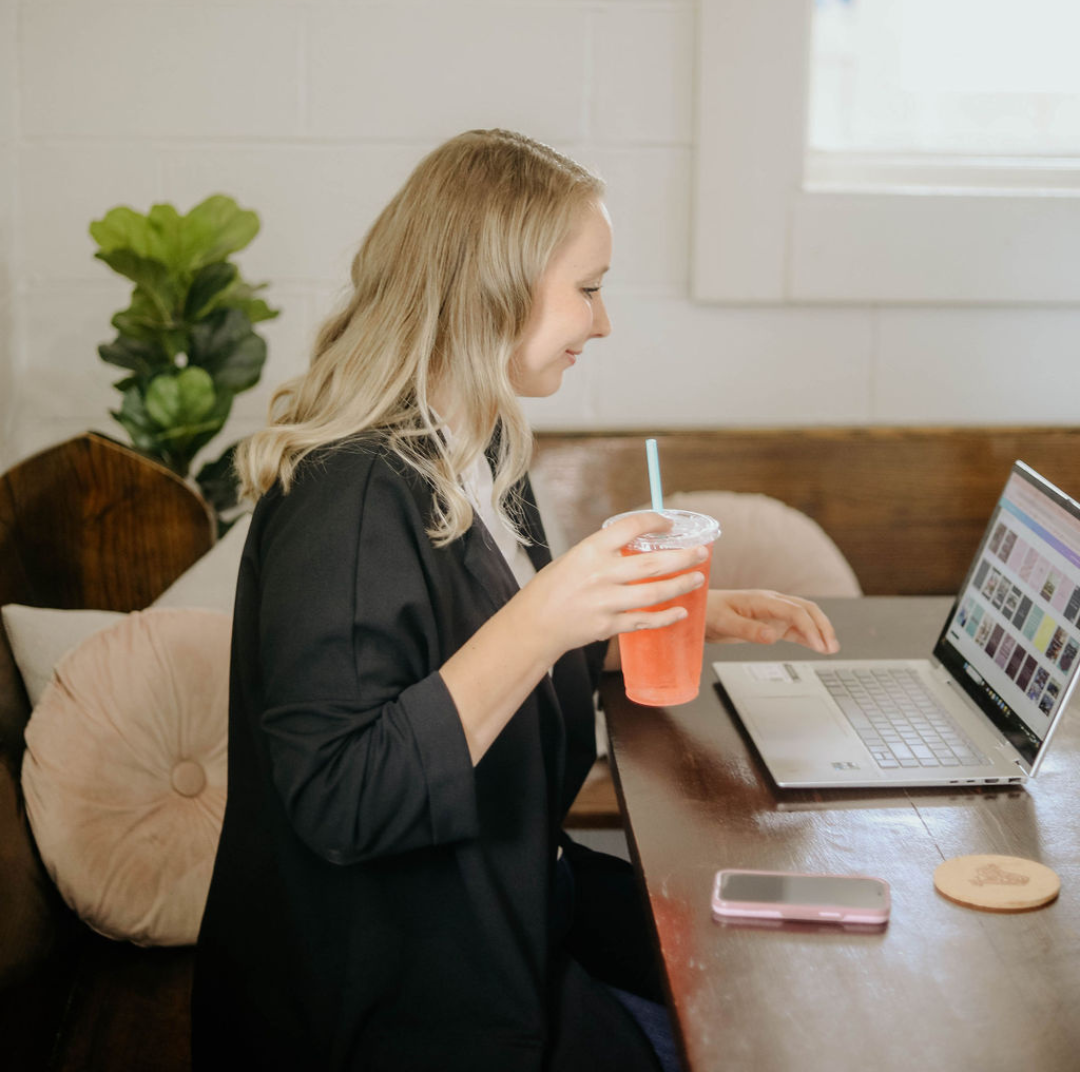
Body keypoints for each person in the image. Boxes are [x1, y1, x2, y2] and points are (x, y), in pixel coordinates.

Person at [192, 129, 838, 1072]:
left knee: (770, 970)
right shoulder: (352, 494)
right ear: (490, 288)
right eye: (589, 287)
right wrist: (552, 611)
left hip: (518, 906)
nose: (603, 321)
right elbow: (342, 801)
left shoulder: (482, 448)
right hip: (391, 999)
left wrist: (626, 624)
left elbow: (462, 657)